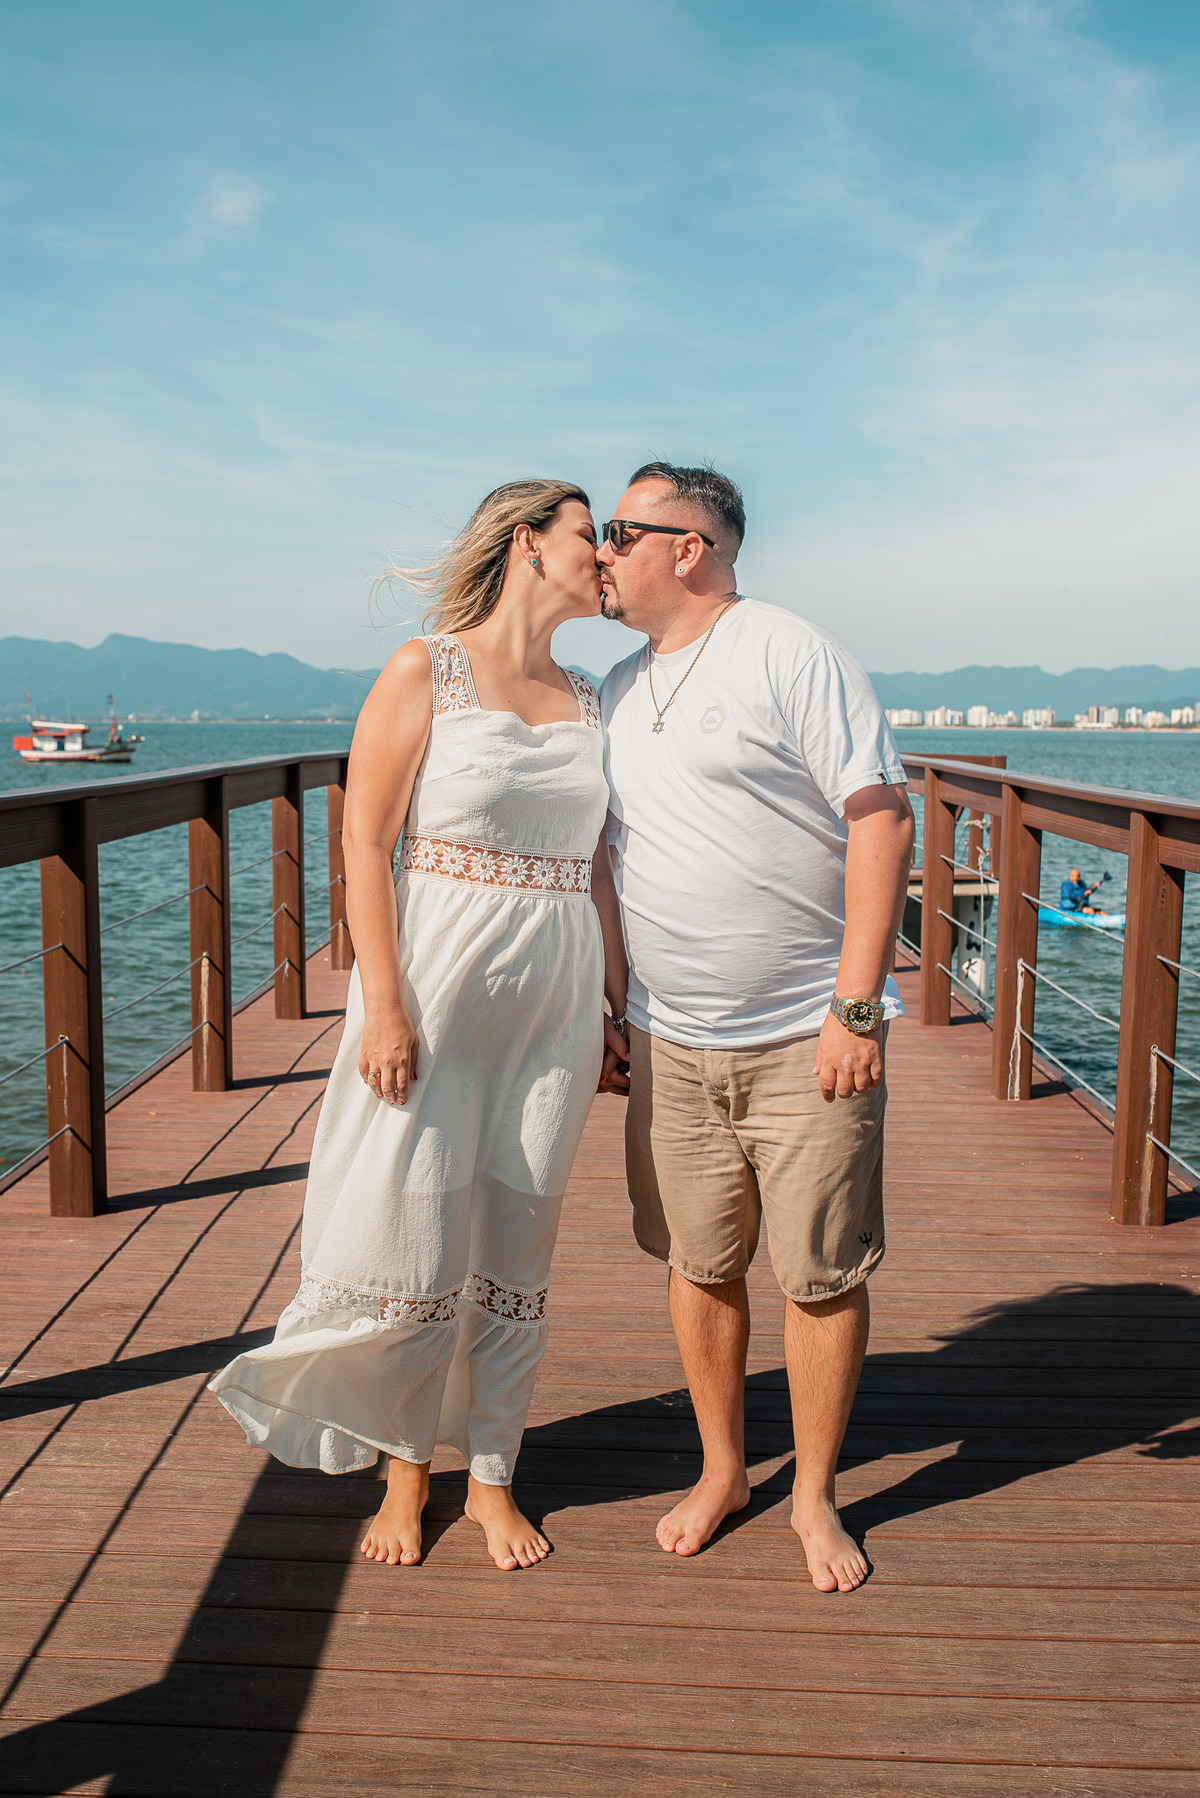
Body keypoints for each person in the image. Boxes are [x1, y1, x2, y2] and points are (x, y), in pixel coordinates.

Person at [210, 480, 628, 1572]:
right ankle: (407, 1467)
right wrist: (382, 1002)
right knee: (421, 1231)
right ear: (531, 543)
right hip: (436, 993)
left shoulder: (590, 697)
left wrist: (615, 1000)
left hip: (557, 999)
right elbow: (363, 842)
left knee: (518, 1241)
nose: (610, 551)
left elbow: (595, 868)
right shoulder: (424, 668)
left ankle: (492, 1474)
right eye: (595, 534)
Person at [597, 461, 914, 1594]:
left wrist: (856, 1003)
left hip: (803, 1035)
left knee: (820, 1273)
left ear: (692, 545)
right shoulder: (619, 686)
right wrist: (612, 999)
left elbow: (880, 817)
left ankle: (815, 1491)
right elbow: (609, 858)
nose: (602, 548)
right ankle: (725, 1466)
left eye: (622, 529)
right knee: (698, 1261)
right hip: (668, 1041)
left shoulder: (790, 650)